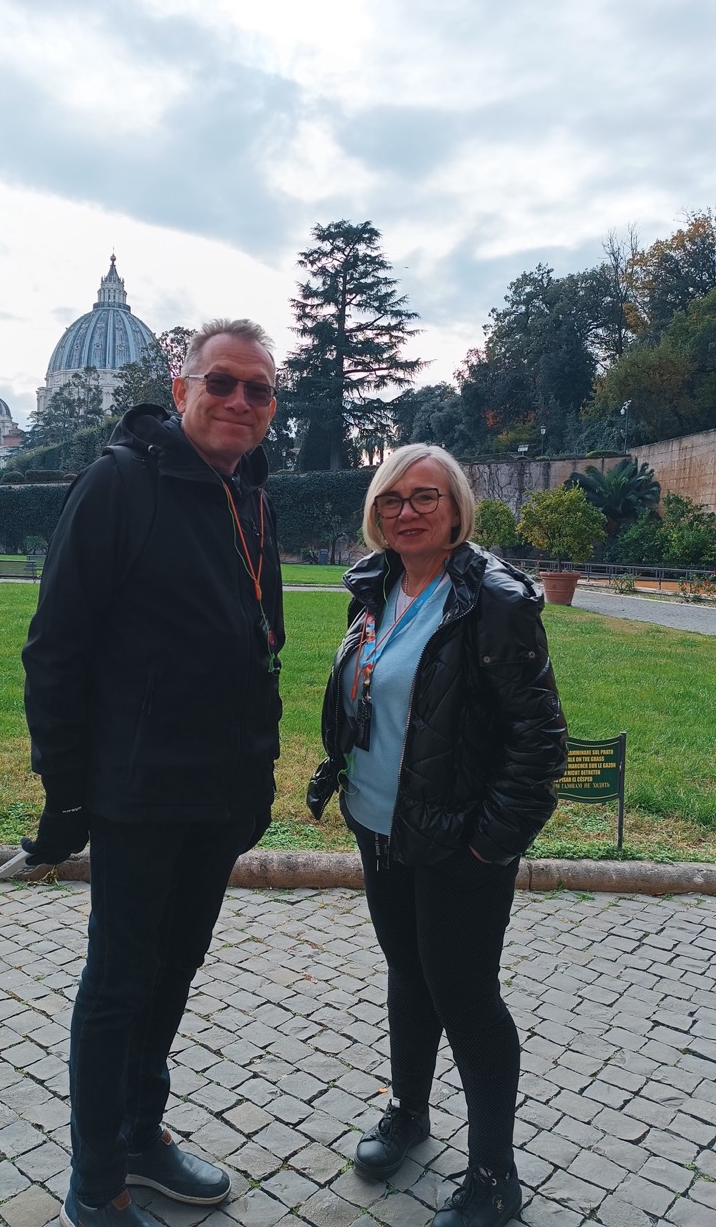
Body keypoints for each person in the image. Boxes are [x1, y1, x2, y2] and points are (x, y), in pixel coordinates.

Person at [20, 319, 283, 1227]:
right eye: (222, 382)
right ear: (181, 389)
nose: (239, 401)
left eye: (257, 389)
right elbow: (56, 650)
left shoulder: (253, 497)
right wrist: (66, 795)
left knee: (175, 970)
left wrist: (259, 775)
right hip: (137, 794)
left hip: (219, 795)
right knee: (119, 983)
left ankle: (141, 1132)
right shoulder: (119, 483)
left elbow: (262, 648)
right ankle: (97, 1182)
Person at [307, 444, 566, 1227]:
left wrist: (490, 842)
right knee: (408, 975)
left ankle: (494, 1177)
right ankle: (409, 1113)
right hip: (379, 824)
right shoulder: (374, 586)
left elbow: (538, 739)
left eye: (425, 497)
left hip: (459, 839)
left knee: (467, 997)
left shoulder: (495, 601)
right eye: (391, 499)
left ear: (457, 508)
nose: (407, 512)